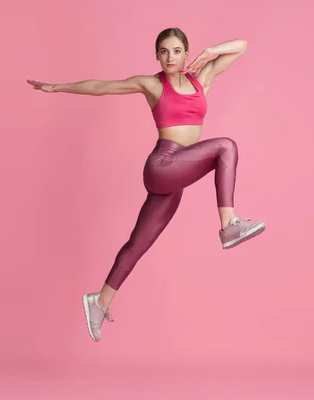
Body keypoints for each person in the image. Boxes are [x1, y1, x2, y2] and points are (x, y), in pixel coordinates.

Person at [27, 27, 266, 342]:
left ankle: (99, 302)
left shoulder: (201, 80)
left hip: (177, 174)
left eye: (177, 51)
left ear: (185, 53)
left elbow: (241, 46)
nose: (170, 57)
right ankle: (228, 226)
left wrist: (208, 53)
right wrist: (55, 87)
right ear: (157, 55)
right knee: (227, 146)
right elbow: (101, 87)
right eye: (164, 51)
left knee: (137, 245)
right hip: (163, 164)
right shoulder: (153, 84)